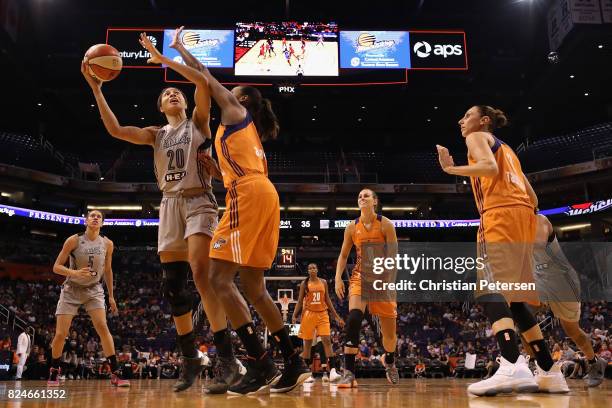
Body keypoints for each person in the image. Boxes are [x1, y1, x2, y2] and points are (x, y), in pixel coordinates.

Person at [154, 27, 309, 395]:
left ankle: (259, 362)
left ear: (239, 99)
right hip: (263, 195)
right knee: (254, 288)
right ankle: (294, 360)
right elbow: (239, 171)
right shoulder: (240, 130)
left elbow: (205, 79)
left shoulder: (236, 109)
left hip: (249, 197)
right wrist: (219, 172)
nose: (225, 89)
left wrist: (171, 54)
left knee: (219, 279)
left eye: (231, 89)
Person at [82, 32, 234, 392]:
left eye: (176, 93)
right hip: (169, 205)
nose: (172, 94)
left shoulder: (198, 123)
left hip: (199, 201)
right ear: (161, 107)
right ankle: (190, 361)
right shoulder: (156, 134)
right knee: (174, 291)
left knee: (201, 273)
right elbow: (117, 130)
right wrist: (97, 89)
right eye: (167, 95)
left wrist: (168, 55)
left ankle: (227, 359)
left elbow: (201, 82)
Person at [436, 105, 568, 396]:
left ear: (484, 121)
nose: (461, 120)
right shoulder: (509, 150)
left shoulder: (476, 138)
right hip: (523, 216)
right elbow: (533, 197)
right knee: (517, 300)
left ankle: (511, 362)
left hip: (499, 215)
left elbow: (488, 168)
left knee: (487, 288)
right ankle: (548, 370)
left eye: (467, 115)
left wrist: (451, 169)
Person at [47, 210, 129, 387]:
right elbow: (56, 267)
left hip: (94, 289)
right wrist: (74, 272)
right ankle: (54, 371)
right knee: (61, 334)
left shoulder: (107, 243)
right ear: (86, 221)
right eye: (92, 215)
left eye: (99, 216)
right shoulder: (74, 240)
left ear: (102, 223)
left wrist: (112, 296)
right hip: (71, 289)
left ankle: (116, 372)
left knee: (102, 326)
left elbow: (108, 270)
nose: (95, 218)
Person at [530, 214, 607, 387]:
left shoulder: (538, 220)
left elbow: (538, 244)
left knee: (572, 330)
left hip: (562, 281)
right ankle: (537, 367)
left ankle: (594, 361)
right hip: (540, 280)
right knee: (523, 316)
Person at [335, 188, 400, 387]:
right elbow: (344, 255)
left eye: (366, 196)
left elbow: (393, 256)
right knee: (354, 318)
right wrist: (338, 277)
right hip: (360, 278)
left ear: (375, 202)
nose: (362, 198)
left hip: (382, 280)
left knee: (389, 338)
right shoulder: (352, 227)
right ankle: (348, 372)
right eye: (359, 196)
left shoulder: (386, 224)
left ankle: (389, 360)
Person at [292, 263, 344, 383]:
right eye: (310, 268)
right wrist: (295, 314)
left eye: (314, 267)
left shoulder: (323, 282)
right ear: (308, 271)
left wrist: (336, 316)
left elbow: (328, 300)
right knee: (308, 345)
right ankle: (309, 374)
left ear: (317, 269)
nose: (312, 269)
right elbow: (300, 301)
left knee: (326, 340)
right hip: (309, 314)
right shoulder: (304, 284)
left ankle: (332, 371)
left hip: (322, 314)